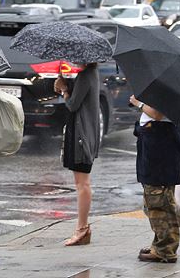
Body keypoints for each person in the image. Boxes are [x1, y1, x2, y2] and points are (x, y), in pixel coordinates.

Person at [129, 95, 180, 263]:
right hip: (156, 144)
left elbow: (157, 114)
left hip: (160, 148)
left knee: (160, 201)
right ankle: (160, 244)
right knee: (156, 200)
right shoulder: (163, 86)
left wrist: (138, 103)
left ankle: (165, 249)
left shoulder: (166, 89)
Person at [54, 63, 100, 246]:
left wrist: (65, 89)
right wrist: (66, 85)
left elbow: (73, 104)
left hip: (82, 135)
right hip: (84, 132)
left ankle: (82, 228)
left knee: (82, 183)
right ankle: (83, 228)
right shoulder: (91, 74)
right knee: (81, 182)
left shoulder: (86, 75)